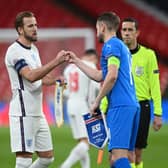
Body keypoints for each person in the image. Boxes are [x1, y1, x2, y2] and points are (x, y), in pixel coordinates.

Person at [66, 12, 140, 168]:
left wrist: (97, 101)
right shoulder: (121, 47)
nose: (97, 32)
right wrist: (77, 61)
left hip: (120, 106)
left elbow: (112, 76)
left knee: (119, 158)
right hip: (132, 105)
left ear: (102, 27)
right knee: (120, 157)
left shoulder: (111, 45)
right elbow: (101, 75)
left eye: (97, 28)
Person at [5, 11, 68, 168]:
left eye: (36, 25)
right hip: (23, 113)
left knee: (47, 158)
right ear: (20, 29)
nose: (35, 28)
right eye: (30, 26)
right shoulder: (14, 51)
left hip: (38, 113)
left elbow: (40, 75)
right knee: (24, 161)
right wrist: (56, 61)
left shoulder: (33, 50)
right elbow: (31, 76)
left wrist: (54, 80)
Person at [120, 17, 162, 168]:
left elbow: (155, 84)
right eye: (124, 30)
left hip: (142, 106)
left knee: (137, 154)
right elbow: (110, 81)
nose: (126, 33)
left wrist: (158, 113)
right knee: (119, 152)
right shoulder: (116, 54)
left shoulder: (148, 55)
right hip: (121, 106)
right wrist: (104, 106)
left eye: (130, 30)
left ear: (137, 33)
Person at [60, 49, 100, 168]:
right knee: (87, 143)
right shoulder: (90, 65)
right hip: (83, 105)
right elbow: (96, 88)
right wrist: (95, 107)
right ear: (93, 58)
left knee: (81, 140)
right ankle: (65, 166)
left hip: (70, 104)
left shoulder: (68, 68)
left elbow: (65, 92)